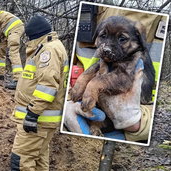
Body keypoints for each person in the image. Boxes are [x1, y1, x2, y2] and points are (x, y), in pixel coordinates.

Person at [67, 5, 167, 142]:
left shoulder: (136, 53)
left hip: (135, 127)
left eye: (122, 39)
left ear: (138, 41)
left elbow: (123, 78)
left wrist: (142, 123)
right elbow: (83, 68)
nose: (107, 47)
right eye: (103, 36)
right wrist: (67, 100)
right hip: (88, 114)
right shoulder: (89, 9)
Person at [5, 15, 69, 171]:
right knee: (39, 158)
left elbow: (47, 86)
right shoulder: (51, 47)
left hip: (38, 119)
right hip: (44, 120)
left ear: (34, 36)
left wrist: (32, 114)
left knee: (20, 157)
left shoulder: (48, 51)